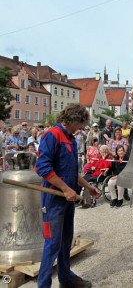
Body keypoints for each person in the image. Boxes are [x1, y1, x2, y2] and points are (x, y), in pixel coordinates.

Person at [35, 103, 100, 288]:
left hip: (68, 199)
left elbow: (72, 171)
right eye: (80, 124)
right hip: (53, 199)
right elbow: (43, 167)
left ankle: (66, 278)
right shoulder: (52, 135)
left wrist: (88, 187)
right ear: (71, 119)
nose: (81, 128)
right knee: (52, 244)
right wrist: (65, 188)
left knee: (65, 241)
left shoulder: (71, 138)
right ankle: (43, 285)